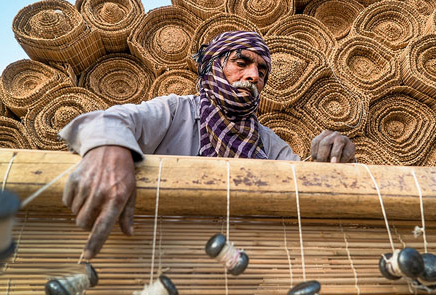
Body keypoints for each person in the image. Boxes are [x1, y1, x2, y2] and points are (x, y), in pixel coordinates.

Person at [59, 31, 355, 259]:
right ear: (215, 65)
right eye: (242, 63)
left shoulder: (268, 143)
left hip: (240, 264)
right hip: (160, 255)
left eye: (262, 72)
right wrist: (111, 149)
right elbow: (110, 121)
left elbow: (303, 186)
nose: (253, 75)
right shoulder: (176, 111)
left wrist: (333, 157)